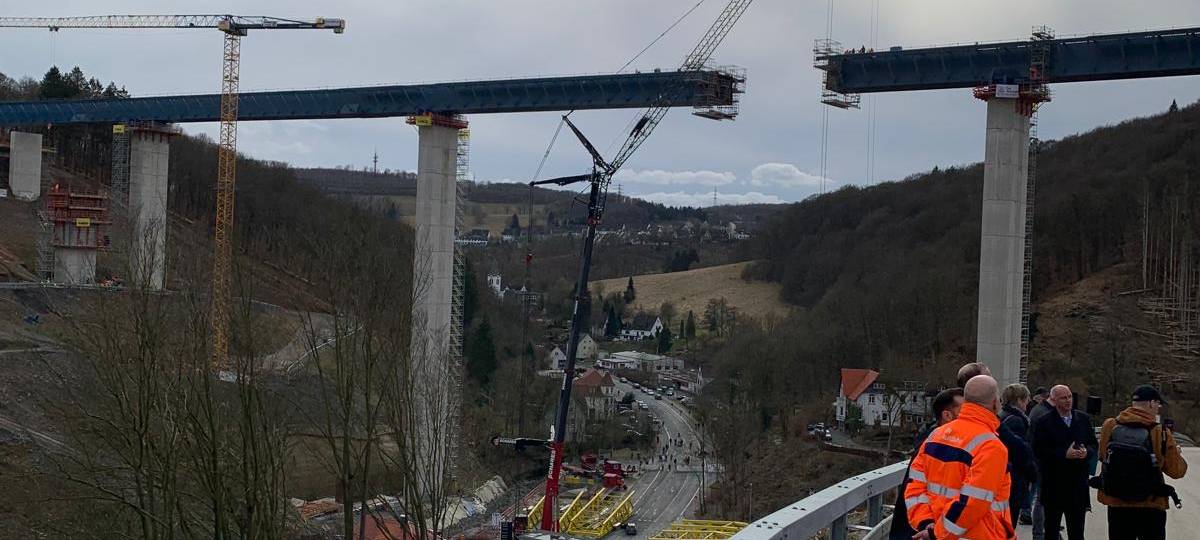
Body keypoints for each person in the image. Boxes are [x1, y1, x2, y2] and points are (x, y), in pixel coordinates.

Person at [906, 375, 1013, 539]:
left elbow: (914, 486)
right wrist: (937, 533)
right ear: (995, 403)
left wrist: (926, 523)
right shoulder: (991, 446)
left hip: (933, 528)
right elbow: (973, 503)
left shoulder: (935, 435)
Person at [1096, 385, 1188, 540]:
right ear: (1151, 403)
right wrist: (1176, 454)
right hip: (1151, 504)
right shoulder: (1160, 431)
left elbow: (1103, 457)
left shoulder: (1109, 425)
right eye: (1158, 404)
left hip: (1116, 502)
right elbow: (1176, 471)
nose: (1158, 408)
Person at [887, 388, 964, 540]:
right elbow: (913, 494)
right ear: (947, 415)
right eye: (964, 411)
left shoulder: (942, 444)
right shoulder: (933, 448)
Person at [1031, 385, 1097, 540]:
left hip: (1077, 484)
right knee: (1051, 530)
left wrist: (1087, 452)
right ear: (1054, 400)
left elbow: (1093, 444)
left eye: (1069, 397)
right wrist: (1063, 454)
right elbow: (1039, 450)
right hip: (1054, 484)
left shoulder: (1083, 419)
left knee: (1077, 531)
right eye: (1063, 398)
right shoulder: (1044, 422)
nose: (1068, 401)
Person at [1000, 384, 1036, 526]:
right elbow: (1019, 451)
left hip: (1005, 475)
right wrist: (1032, 472)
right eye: (1027, 399)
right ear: (1020, 400)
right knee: (1009, 523)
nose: (1028, 403)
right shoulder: (1016, 420)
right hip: (1014, 479)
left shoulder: (1002, 416)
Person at [1027, 385, 1056, 539]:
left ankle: (1048, 530)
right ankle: (1040, 533)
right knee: (1042, 499)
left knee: (1042, 498)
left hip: (1038, 459)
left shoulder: (1038, 410)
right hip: (1041, 461)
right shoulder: (1042, 413)